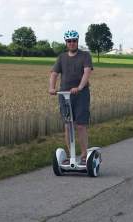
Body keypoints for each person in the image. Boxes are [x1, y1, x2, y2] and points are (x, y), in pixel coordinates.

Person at [49, 30, 93, 164]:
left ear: (77, 42)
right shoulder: (61, 57)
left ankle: (85, 155)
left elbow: (87, 72)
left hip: (81, 95)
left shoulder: (85, 55)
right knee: (68, 125)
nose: (72, 43)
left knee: (80, 125)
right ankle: (71, 155)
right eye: (69, 41)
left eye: (74, 40)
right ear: (66, 42)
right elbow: (54, 73)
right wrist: (51, 87)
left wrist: (79, 87)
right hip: (64, 95)